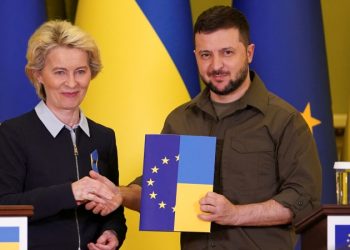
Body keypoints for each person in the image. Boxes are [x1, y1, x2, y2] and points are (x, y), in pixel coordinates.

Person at [90, 5, 322, 249]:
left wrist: (235, 214)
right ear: (196, 56)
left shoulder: (284, 120)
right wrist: (120, 194)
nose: (216, 65)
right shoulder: (180, 120)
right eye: (206, 55)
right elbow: (159, 191)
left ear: (249, 53)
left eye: (227, 52)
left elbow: (303, 200)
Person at [0, 20, 127, 250]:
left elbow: (114, 206)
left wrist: (112, 232)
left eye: (80, 71)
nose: (72, 83)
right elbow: (5, 209)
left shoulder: (104, 137)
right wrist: (69, 193)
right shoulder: (11, 134)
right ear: (38, 75)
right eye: (60, 72)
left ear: (92, 72)